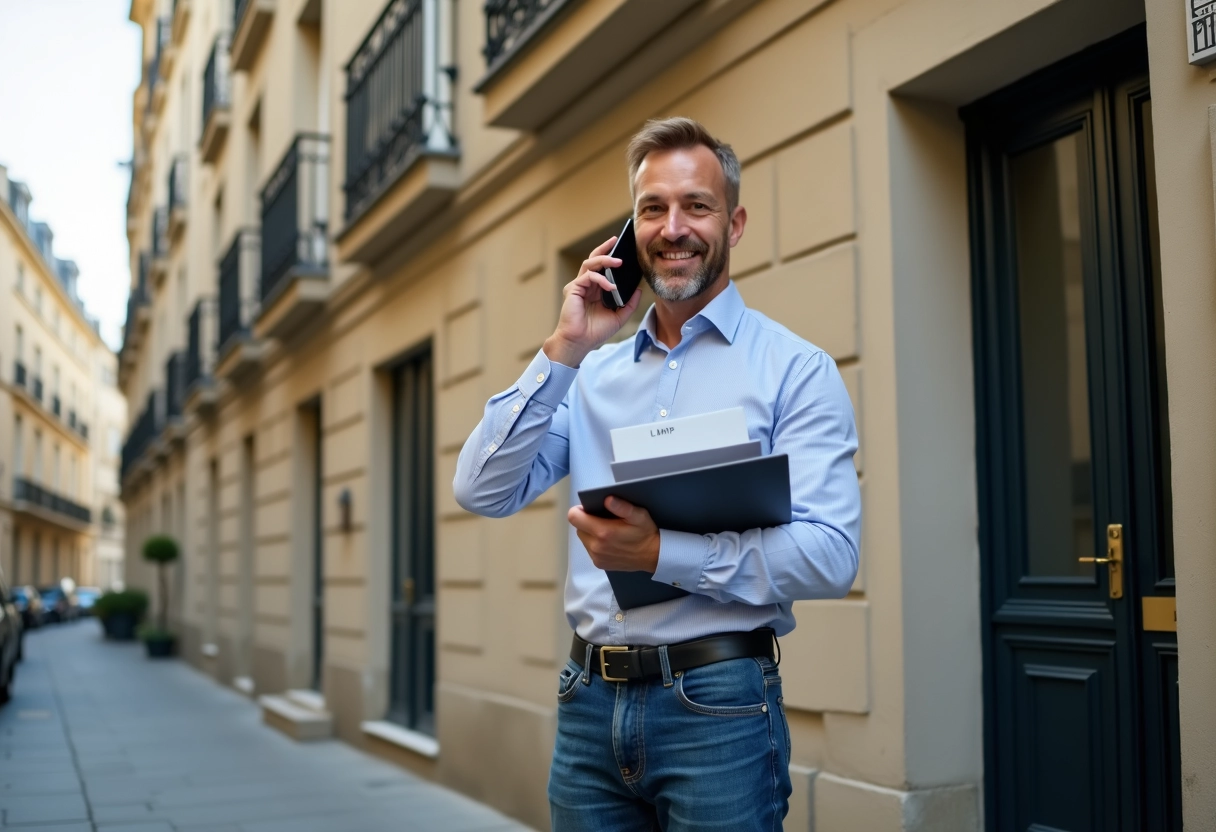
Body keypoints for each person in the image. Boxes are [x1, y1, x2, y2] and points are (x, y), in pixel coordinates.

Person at [453, 117, 861, 831]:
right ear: (630, 232)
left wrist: (659, 555)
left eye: (695, 206)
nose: (674, 227)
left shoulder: (795, 370)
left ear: (733, 224)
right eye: (652, 209)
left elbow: (831, 556)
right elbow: (482, 489)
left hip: (720, 707)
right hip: (587, 704)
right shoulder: (588, 373)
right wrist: (563, 348)